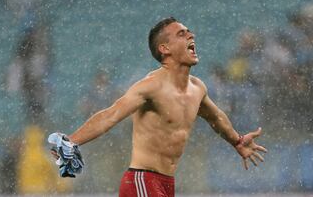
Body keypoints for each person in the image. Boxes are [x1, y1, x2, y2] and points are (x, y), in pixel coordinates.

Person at [50, 17, 267, 197]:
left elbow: (216, 118)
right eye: (181, 34)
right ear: (165, 48)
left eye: (189, 32)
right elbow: (111, 115)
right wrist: (71, 141)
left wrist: (237, 141)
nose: (191, 36)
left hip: (165, 183)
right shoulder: (151, 86)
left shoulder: (197, 88)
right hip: (142, 180)